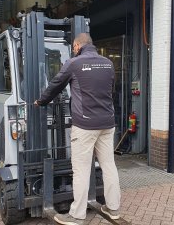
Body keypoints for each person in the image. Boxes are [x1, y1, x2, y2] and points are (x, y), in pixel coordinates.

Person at [35, 33, 121, 225]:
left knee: (81, 170)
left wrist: (41, 101)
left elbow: (56, 85)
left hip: (85, 125)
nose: (74, 49)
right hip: (107, 123)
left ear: (76, 45)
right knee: (109, 166)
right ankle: (113, 209)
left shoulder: (74, 63)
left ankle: (77, 215)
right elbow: (111, 90)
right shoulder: (108, 63)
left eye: (74, 47)